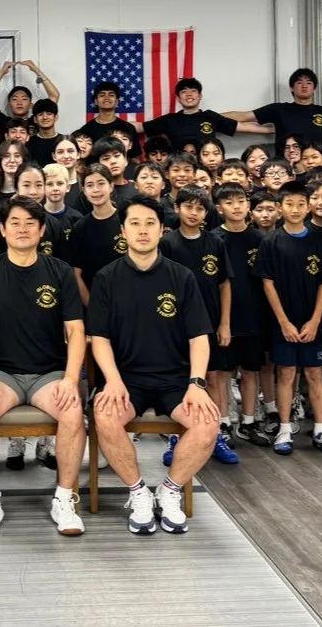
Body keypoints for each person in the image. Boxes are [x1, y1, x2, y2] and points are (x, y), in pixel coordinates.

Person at [90, 195, 218, 535]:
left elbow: (199, 337)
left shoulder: (182, 277)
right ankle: (138, 493)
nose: (143, 230)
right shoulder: (106, 277)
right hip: (126, 378)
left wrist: (196, 383)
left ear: (162, 230)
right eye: (135, 223)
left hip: (175, 379)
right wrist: (112, 381)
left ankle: (169, 490)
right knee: (104, 415)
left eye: (150, 223)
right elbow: (98, 338)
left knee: (207, 423)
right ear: (123, 230)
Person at [0, 196, 87, 539]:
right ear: (2, 230)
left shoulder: (59, 271)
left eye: (30, 223)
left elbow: (76, 331)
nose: (22, 229)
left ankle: (63, 498)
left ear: (42, 230)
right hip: (1, 373)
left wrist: (70, 379)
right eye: (14, 222)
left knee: (73, 411)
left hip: (49, 373)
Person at [257, 181, 322, 456]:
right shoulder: (270, 242)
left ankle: (319, 428)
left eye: (300, 204)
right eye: (289, 204)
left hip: (313, 322)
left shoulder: (320, 240)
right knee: (286, 373)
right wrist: (284, 322)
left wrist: (316, 320)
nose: (295, 209)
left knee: (316, 373)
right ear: (280, 208)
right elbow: (267, 284)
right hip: (284, 322)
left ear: (308, 206)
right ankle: (284, 427)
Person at [159, 186, 237, 464]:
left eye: (200, 208)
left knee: (214, 378)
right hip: (177, 327)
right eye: (188, 207)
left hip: (211, 323)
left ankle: (215, 436)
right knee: (182, 382)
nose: (194, 213)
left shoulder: (215, 242)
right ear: (177, 208)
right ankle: (176, 437)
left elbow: (225, 283)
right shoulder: (167, 244)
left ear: (207, 213)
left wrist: (225, 323)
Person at [213, 183, 272, 445]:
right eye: (229, 202)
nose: (236, 207)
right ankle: (223, 421)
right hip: (223, 317)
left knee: (251, 371)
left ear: (248, 205)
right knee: (223, 373)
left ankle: (248, 422)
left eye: (240, 201)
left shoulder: (260, 239)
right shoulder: (214, 238)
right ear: (218, 208)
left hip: (254, 316)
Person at [225, 68, 322, 149]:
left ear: (314, 88)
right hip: (285, 168)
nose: (304, 86)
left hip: (315, 167)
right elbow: (244, 116)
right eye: (299, 82)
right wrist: (209, 117)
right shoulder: (278, 109)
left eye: (309, 83)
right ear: (292, 88)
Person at [141, 77, 262, 149]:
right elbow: (139, 126)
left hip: (207, 169)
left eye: (193, 91)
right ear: (178, 98)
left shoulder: (210, 116)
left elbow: (243, 126)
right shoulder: (169, 120)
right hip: (179, 170)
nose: (189, 94)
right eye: (184, 92)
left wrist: (273, 129)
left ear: (200, 97)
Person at [69, 164, 126, 304]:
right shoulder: (79, 228)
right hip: (95, 302)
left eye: (101, 183)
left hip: (128, 299)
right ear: (84, 190)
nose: (96, 190)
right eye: (90, 185)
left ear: (111, 186)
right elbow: (76, 274)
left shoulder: (127, 220)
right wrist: (92, 306)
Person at [0, 59, 61, 134]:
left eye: (24, 99)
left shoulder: (38, 120)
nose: (19, 102)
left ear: (31, 105)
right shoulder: (2, 121)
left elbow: (54, 95)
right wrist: (2, 72)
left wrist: (36, 70)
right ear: (9, 104)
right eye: (14, 99)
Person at [26, 100, 62, 167]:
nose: (45, 117)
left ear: (56, 117)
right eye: (40, 114)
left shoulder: (63, 141)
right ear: (35, 119)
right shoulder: (28, 143)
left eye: (49, 114)